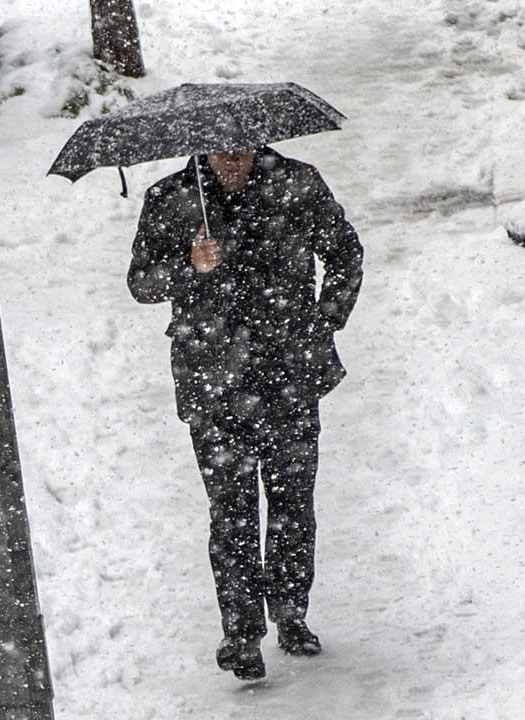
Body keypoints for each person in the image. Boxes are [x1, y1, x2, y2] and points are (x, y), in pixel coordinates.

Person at [128, 147, 363, 681]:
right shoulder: (170, 199)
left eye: (240, 150)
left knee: (291, 502)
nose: (230, 161)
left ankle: (290, 613)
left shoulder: (297, 184)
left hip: (289, 371)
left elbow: (345, 252)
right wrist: (189, 265)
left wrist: (324, 320)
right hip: (212, 379)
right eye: (220, 152)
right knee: (230, 511)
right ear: (202, 150)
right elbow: (141, 283)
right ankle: (241, 633)